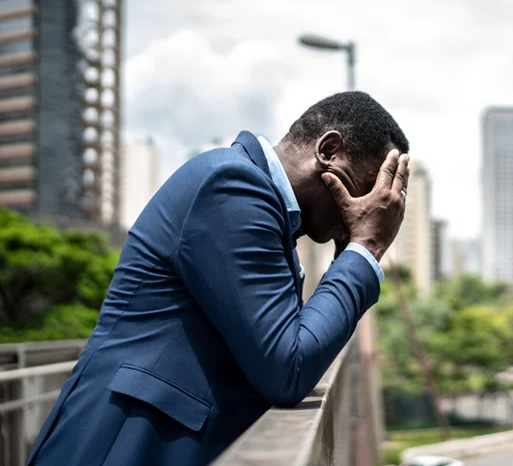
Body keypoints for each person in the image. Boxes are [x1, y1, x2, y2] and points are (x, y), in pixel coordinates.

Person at [28, 91, 410, 466]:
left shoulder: (266, 212)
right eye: (367, 189)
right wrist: (366, 247)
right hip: (118, 448)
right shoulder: (232, 187)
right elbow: (289, 365)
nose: (366, 211)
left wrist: (352, 248)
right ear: (328, 150)